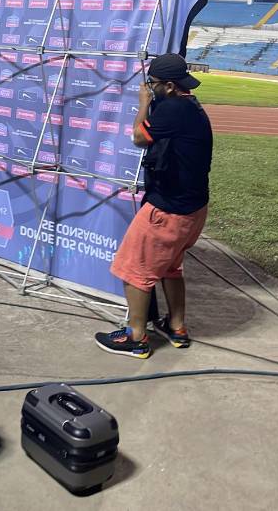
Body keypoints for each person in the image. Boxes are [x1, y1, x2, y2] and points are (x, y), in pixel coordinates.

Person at [95, 53, 213, 359]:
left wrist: (143, 103)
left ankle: (136, 338)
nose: (150, 87)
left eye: (154, 83)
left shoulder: (172, 108)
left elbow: (139, 137)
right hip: (193, 209)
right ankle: (177, 327)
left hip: (168, 210)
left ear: (169, 86)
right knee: (171, 268)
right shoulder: (190, 105)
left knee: (133, 270)